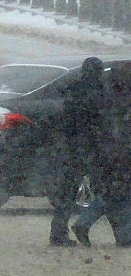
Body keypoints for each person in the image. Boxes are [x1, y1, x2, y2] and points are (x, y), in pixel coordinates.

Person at [71, 63, 131, 247]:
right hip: (120, 152)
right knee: (122, 193)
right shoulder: (122, 100)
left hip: (105, 152)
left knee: (113, 193)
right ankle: (123, 235)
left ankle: (121, 234)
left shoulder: (105, 95)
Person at [49, 57, 107, 246]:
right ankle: (85, 225)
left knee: (67, 191)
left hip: (71, 147)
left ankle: (58, 231)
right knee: (106, 189)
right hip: (91, 148)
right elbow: (99, 121)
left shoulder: (72, 89)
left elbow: (64, 118)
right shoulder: (98, 92)